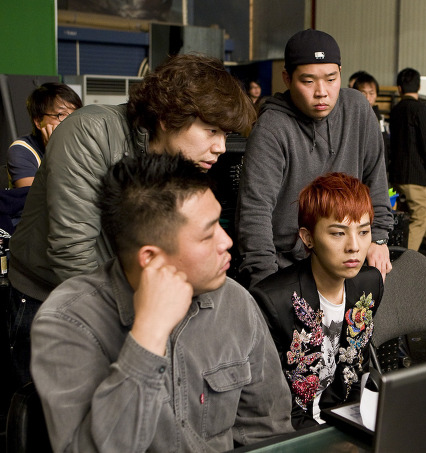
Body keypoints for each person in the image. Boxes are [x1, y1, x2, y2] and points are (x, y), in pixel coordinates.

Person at [7, 53, 255, 388]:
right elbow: (72, 251)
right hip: (49, 297)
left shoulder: (181, 160)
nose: (221, 147)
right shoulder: (90, 131)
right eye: (211, 131)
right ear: (168, 118)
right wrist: (140, 328)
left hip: (127, 301)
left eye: (225, 134)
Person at [30, 152, 293, 452]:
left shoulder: (234, 301)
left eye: (220, 225)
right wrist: (149, 333)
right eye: (207, 235)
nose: (227, 241)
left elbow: (268, 431)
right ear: (151, 258)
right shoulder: (69, 321)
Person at [236, 29, 393, 288]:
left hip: (346, 259)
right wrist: (266, 282)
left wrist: (378, 238)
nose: (322, 92)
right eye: (308, 81)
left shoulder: (357, 110)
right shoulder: (271, 129)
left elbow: (375, 177)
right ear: (287, 79)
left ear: (340, 73)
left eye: (331, 79)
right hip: (289, 265)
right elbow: (255, 212)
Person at [250, 172, 382, 430]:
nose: (354, 246)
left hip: (343, 420)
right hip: (292, 430)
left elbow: (356, 370)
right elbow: (274, 403)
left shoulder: (369, 285)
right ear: (308, 237)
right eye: (338, 233)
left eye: (364, 231)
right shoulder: (272, 301)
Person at [389, 67, 426, 251]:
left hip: (395, 177)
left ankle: (394, 253)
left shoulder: (395, 111)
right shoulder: (421, 110)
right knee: (421, 214)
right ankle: (407, 259)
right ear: (419, 87)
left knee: (400, 216)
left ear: (399, 88)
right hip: (415, 177)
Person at [7, 82, 82, 188]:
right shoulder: (21, 150)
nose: (70, 121)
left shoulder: (81, 146)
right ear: (38, 121)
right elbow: (30, 196)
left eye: (75, 114)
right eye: (61, 114)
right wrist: (55, 153)